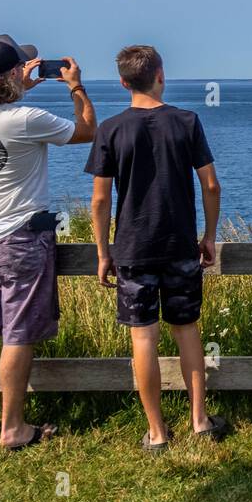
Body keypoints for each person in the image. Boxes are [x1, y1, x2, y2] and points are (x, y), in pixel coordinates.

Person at [0, 34, 96, 450]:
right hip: (21, 237)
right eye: (22, 67)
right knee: (18, 333)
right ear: (14, 72)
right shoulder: (27, 118)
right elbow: (88, 131)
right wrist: (75, 86)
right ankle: (12, 428)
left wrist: (17, 87)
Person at [85, 45, 229, 452]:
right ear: (160, 75)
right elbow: (211, 185)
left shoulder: (110, 129)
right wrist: (209, 235)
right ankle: (200, 420)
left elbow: (99, 200)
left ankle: (157, 432)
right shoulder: (187, 122)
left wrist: (102, 252)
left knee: (143, 340)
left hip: (132, 250)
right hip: (180, 244)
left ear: (123, 82)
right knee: (187, 331)